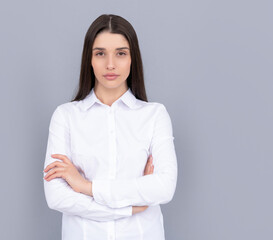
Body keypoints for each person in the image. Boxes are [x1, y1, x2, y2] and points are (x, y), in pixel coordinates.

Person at [42, 14, 178, 240]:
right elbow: (57, 197)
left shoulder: (154, 115)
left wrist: (86, 186)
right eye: (100, 53)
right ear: (90, 59)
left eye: (121, 53)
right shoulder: (65, 117)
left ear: (133, 58)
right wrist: (131, 206)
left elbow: (164, 187)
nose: (111, 64)